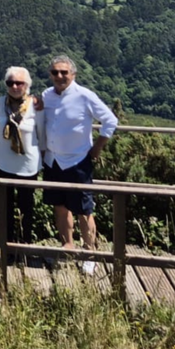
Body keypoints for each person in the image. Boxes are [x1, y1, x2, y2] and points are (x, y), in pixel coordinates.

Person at [41, 55, 119, 275]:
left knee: (84, 210)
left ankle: (90, 253)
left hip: (77, 161)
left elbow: (110, 120)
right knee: (59, 206)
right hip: (53, 161)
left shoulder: (85, 95)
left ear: (73, 74)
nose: (59, 76)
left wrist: (98, 148)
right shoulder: (46, 95)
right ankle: (67, 245)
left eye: (64, 72)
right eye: (55, 72)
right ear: (50, 75)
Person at [0, 66, 45, 262]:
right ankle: (6, 249)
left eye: (19, 83)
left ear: (27, 85)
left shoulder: (36, 107)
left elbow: (43, 134)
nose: (14, 86)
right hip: (2, 163)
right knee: (4, 209)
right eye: (10, 83)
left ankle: (24, 248)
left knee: (26, 209)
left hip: (28, 166)